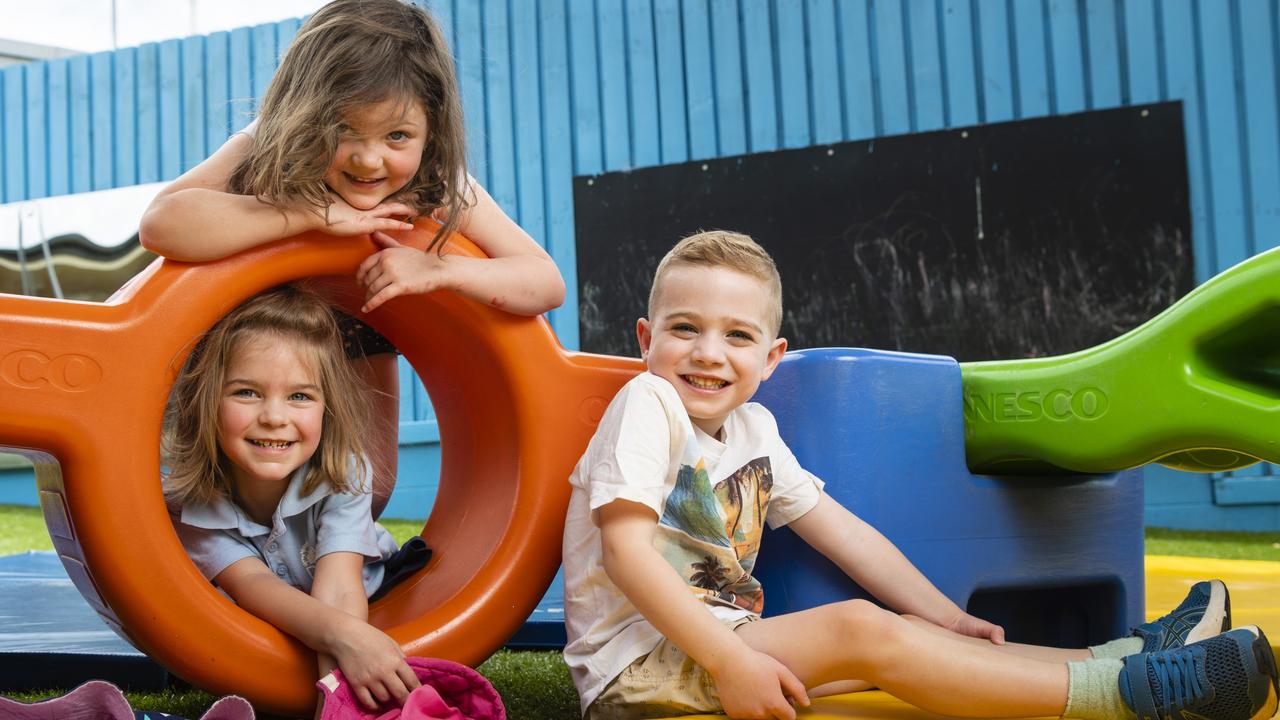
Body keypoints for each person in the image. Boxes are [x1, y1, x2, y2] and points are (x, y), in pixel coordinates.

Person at [561, 230, 1279, 720]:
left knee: (915, 643)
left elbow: (847, 536)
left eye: (738, 335)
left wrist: (945, 615)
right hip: (640, 664)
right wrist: (725, 659)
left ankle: (1117, 654)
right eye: (685, 329)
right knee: (858, 628)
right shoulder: (647, 402)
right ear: (646, 341)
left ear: (772, 357)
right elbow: (625, 551)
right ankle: (1131, 694)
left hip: (720, 643)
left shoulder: (755, 431)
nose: (709, 352)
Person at [139, 0, 566, 513]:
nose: (369, 158)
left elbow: (544, 281)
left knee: (370, 489)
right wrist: (306, 214)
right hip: (256, 337)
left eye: (397, 136)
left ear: (431, 130)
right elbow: (163, 223)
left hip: (357, 330)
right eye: (344, 131)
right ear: (302, 115)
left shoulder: (440, 181)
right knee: (223, 490)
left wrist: (442, 268)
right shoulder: (263, 147)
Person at [165, 285, 426, 713]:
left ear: (328, 407)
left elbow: (340, 587)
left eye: (300, 396)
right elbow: (253, 585)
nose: (273, 417)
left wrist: (339, 698)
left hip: (361, 591)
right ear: (206, 400)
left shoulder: (345, 471)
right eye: (246, 392)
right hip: (272, 608)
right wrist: (346, 640)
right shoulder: (190, 505)